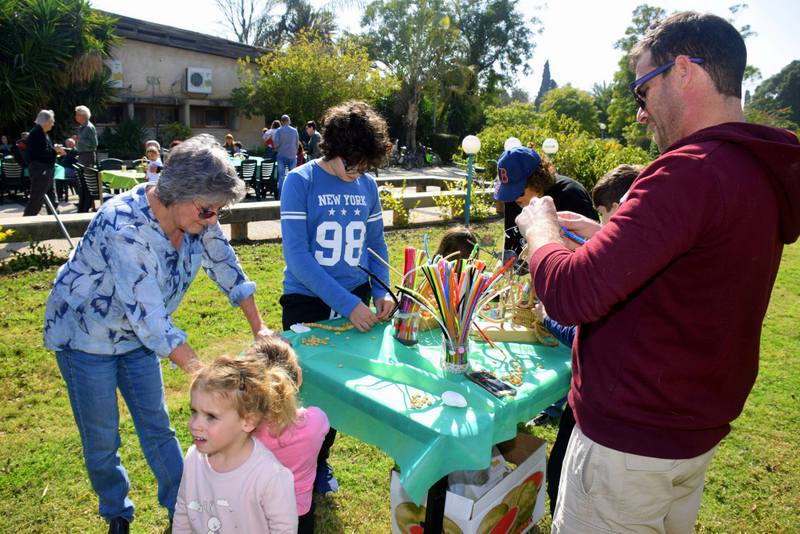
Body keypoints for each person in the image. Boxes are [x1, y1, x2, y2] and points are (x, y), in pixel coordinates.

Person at [515, 12, 800, 533]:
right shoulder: (752, 169)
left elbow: (571, 294)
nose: (641, 114)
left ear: (684, 71)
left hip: (629, 446)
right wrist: (607, 237)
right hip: (688, 432)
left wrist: (542, 230)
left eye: (641, 91)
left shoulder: (689, 170)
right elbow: (692, 273)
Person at [44, 134, 280, 534]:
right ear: (181, 194)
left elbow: (226, 265)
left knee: (157, 425)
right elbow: (152, 321)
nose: (212, 220)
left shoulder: (199, 215)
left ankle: (183, 511)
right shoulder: (125, 225)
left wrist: (260, 328)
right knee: (102, 441)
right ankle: (117, 513)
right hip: (84, 338)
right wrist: (212, 384)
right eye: (208, 211)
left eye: (216, 212)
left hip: (137, 338)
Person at [279, 100, 394, 496]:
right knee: (301, 390)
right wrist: (348, 304)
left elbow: (376, 245)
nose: (358, 170)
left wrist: (381, 290)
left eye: (366, 162)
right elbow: (297, 256)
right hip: (307, 301)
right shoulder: (300, 181)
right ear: (332, 147)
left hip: (358, 298)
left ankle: (320, 459)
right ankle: (292, 465)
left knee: (341, 391)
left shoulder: (367, 185)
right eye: (353, 161)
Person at [530, 163, 642, 518]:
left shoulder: (626, 265)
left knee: (562, 471)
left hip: (608, 420)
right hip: (630, 417)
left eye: (607, 216)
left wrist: (547, 318)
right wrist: (597, 232)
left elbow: (580, 322)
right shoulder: (643, 249)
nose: (607, 227)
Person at [172, 355, 298, 533]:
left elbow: (284, 529)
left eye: (211, 417)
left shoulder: (270, 476)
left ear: (248, 422)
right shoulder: (194, 458)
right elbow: (183, 511)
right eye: (194, 412)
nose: (194, 424)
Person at [248, 337, 330, 534]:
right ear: (298, 377)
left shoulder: (245, 430)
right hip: (300, 511)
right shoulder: (317, 420)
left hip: (257, 511)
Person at [497, 146, 597, 255]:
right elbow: (512, 247)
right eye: (509, 193)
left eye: (518, 192)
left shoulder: (571, 195)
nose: (515, 198)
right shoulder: (515, 200)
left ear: (536, 181)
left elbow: (592, 249)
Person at [23, 110, 63, 216]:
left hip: (46, 169)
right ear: (46, 122)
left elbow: (45, 151)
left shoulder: (42, 133)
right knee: (36, 200)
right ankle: (25, 223)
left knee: (52, 198)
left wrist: (55, 150)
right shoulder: (37, 133)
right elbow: (41, 154)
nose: (53, 124)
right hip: (40, 170)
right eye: (52, 121)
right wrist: (55, 150)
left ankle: (55, 221)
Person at [273, 114, 299, 197]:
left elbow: (276, 144)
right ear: (289, 121)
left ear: (281, 122)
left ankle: (282, 195)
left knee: (281, 176)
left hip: (281, 155)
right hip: (292, 155)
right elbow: (297, 144)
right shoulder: (294, 131)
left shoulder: (278, 131)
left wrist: (278, 149)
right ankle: (293, 194)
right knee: (293, 176)